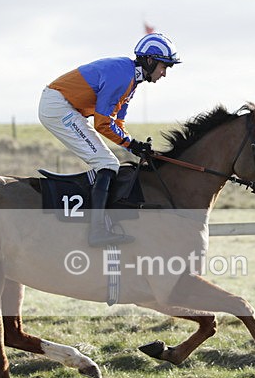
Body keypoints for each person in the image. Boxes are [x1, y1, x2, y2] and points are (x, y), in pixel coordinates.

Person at [38, 32, 181, 246]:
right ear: (150, 60)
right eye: (164, 66)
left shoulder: (131, 79)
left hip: (66, 107)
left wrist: (136, 147)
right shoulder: (123, 76)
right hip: (58, 107)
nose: (164, 73)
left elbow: (117, 124)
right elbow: (103, 123)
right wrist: (131, 144)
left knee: (107, 162)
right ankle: (96, 231)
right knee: (107, 162)